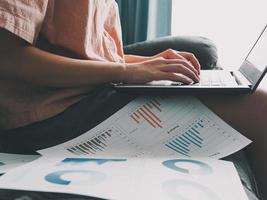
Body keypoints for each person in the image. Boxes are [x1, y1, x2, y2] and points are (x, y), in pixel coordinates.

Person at [0, 0, 266, 198]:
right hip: (54, 114)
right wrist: (128, 71)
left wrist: (152, 63)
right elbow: (8, 58)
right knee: (260, 108)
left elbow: (90, 55)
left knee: (232, 83)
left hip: (89, 92)